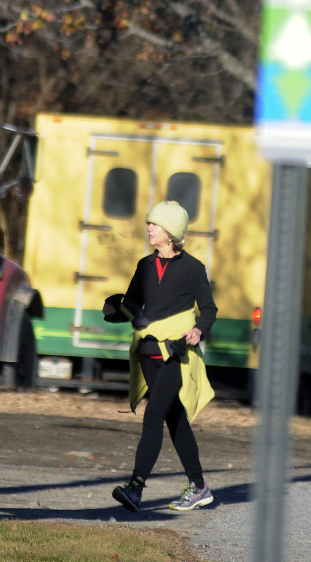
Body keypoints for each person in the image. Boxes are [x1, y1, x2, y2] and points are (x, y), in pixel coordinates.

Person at [103, 199, 217, 513]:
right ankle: (200, 487)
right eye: (149, 224)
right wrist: (113, 311)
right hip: (146, 355)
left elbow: (208, 309)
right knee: (175, 420)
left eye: (155, 224)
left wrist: (198, 330)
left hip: (175, 355)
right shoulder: (144, 266)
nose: (149, 229)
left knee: (153, 418)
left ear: (171, 233)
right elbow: (132, 310)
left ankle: (136, 488)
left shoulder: (193, 269)